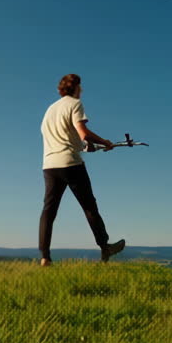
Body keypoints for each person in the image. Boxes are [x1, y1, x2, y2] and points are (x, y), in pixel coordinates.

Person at [39, 73, 126, 267]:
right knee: (89, 206)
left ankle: (45, 257)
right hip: (70, 163)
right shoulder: (75, 104)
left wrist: (87, 146)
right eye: (81, 87)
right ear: (76, 87)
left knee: (49, 211)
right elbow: (83, 132)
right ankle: (105, 247)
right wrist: (104, 142)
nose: (82, 90)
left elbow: (67, 137)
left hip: (49, 165)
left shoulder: (50, 109)